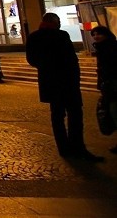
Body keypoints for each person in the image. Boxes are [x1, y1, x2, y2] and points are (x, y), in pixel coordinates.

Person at [26, 13, 103, 162]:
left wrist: (45, 67)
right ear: (54, 22)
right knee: (75, 114)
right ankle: (78, 147)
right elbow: (70, 59)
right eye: (58, 21)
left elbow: (31, 59)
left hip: (49, 81)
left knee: (57, 115)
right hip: (67, 81)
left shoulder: (34, 37)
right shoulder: (61, 35)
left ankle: (64, 148)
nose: (60, 23)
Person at [91, 25, 117, 154]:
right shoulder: (101, 48)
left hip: (113, 84)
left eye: (98, 34)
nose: (96, 36)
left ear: (106, 35)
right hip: (107, 84)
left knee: (114, 110)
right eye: (94, 34)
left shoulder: (111, 48)